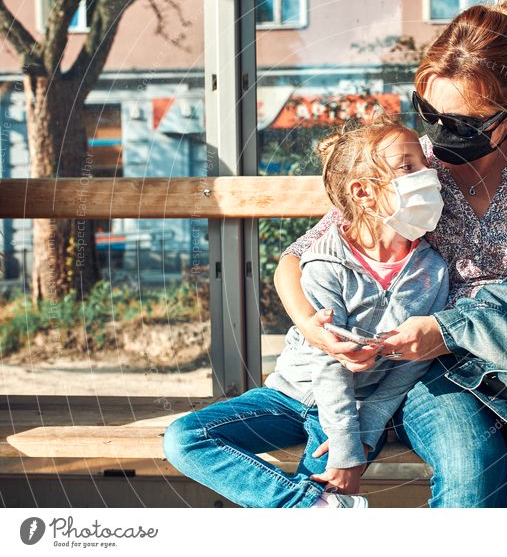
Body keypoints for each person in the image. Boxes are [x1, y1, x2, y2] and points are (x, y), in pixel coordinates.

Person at [274, 0, 507, 507]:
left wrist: (448, 330)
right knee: (470, 470)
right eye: (431, 114)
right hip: (428, 369)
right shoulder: (411, 167)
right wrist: (314, 328)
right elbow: (301, 256)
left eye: (464, 124)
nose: (441, 135)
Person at [163, 116, 450, 508]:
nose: (427, 176)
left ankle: (317, 509)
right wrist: (346, 451)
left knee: (327, 481)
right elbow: (327, 361)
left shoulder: (432, 269)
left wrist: (359, 437)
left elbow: (409, 367)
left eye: (424, 165)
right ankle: (312, 509)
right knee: (185, 437)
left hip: (358, 408)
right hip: (286, 397)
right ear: (363, 191)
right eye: (408, 167)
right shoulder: (324, 261)